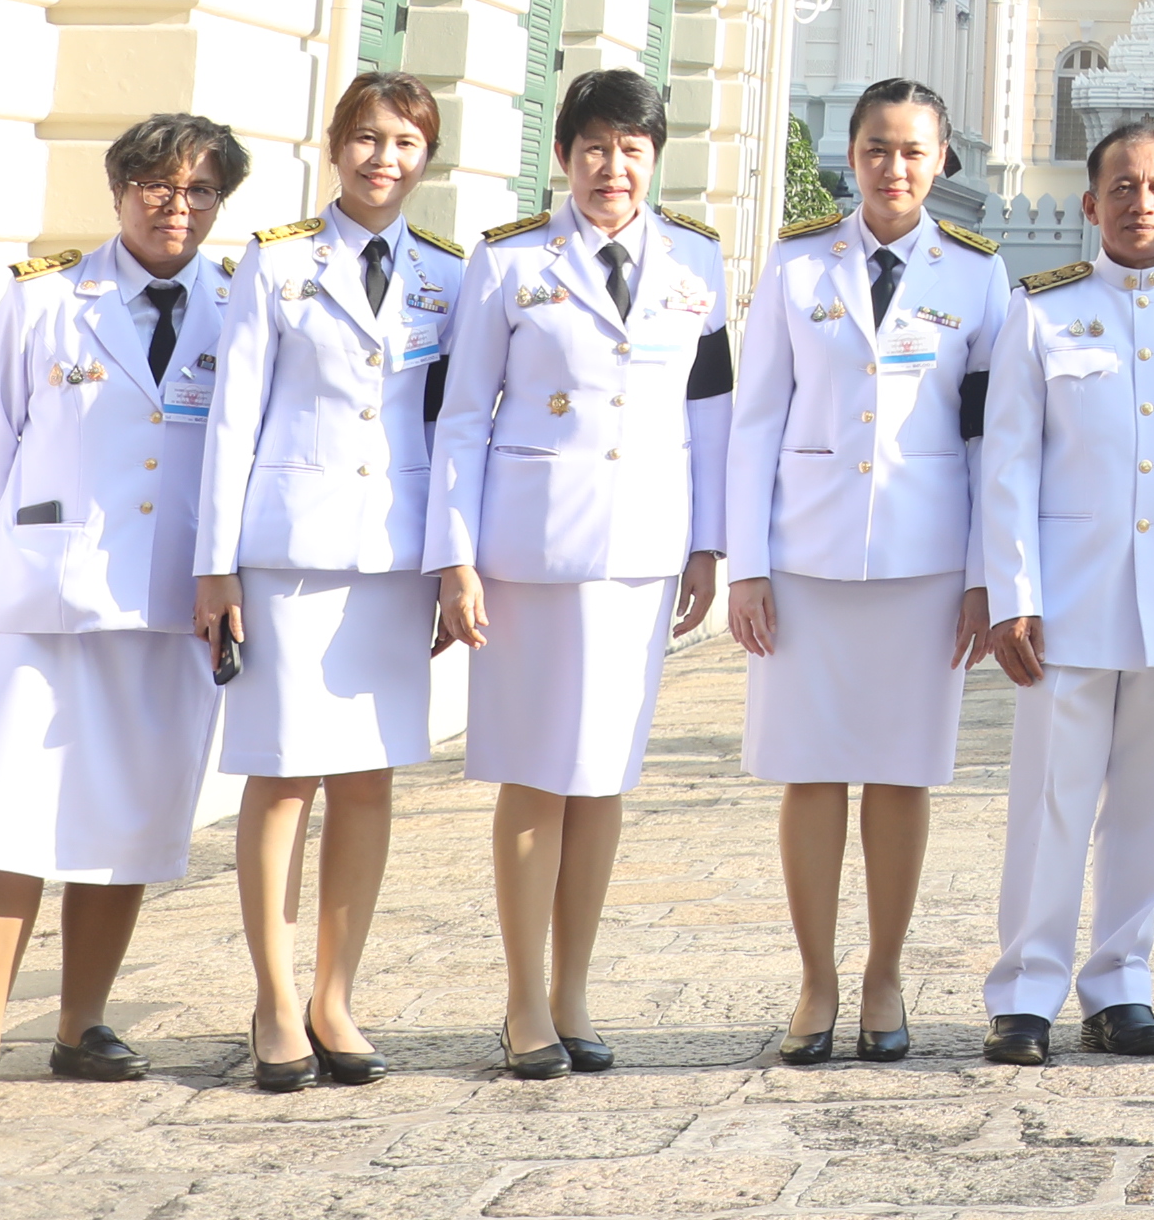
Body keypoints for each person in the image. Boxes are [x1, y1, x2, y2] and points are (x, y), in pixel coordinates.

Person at [0, 114, 249, 1105]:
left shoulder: (240, 305)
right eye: (156, 185)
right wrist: (33, 552)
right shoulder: (45, 297)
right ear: (120, 190)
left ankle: (81, 1023)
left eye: (198, 191)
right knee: (4, 813)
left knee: (130, 817)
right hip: (41, 597)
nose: (175, 207)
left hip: (167, 602)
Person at [430, 67, 732, 1076]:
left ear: (655, 157)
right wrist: (455, 558)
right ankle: (522, 1003)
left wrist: (708, 543)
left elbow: (710, 416)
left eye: (633, 148)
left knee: (603, 777)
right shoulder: (510, 263)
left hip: (640, 552)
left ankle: (575, 992)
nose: (614, 167)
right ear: (565, 157)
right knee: (533, 772)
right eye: (595, 147)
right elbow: (464, 414)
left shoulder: (697, 263)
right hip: (530, 553)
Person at [727, 79, 1009, 1066]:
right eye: (878, 149)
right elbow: (754, 418)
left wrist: (987, 577)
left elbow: (992, 444)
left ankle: (885, 972)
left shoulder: (979, 277)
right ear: (852, 157)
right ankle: (816, 978)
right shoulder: (798, 264)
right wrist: (746, 565)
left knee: (900, 776)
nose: (896, 168)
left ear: (941, 164)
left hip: (924, 565)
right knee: (808, 773)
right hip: (805, 558)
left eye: (914, 152)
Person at [972, 121, 1154, 1062]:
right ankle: (1025, 990)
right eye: (1122, 188)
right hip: (1066, 599)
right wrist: (1011, 592)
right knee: (1051, 797)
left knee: (1152, 797)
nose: (1141, 203)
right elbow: (1008, 464)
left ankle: (1120, 982)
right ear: (1090, 205)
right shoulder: (1040, 313)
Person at [194, 72, 460, 1091]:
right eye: (364, 137)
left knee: (368, 777)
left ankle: (334, 994)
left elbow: (453, 425)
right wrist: (214, 566)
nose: (380, 157)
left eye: (402, 141)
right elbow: (233, 422)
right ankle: (272, 996)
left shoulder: (449, 274)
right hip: (289, 554)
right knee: (283, 774)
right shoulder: (277, 263)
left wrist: (450, 563)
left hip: (392, 558)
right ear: (333, 147)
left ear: (424, 156)